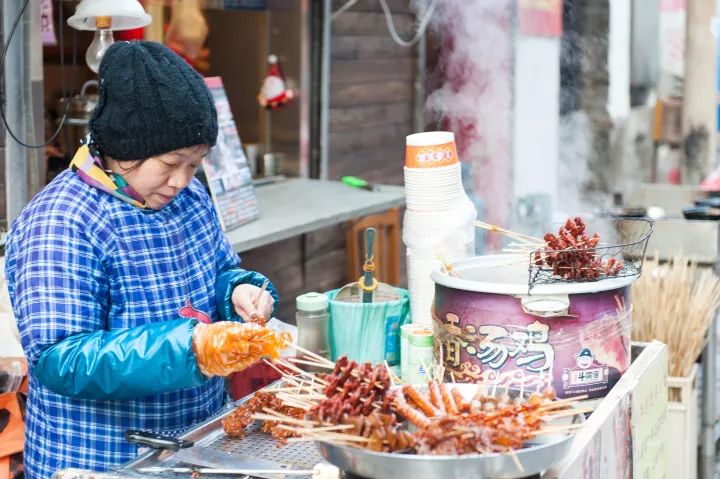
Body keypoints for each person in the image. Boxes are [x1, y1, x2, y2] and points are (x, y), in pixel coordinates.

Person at [5, 41, 280, 478]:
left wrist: (241, 291)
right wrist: (190, 348)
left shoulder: (189, 198)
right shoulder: (62, 220)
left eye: (195, 164)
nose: (181, 180)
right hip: (101, 457)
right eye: (171, 163)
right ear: (124, 147)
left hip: (196, 442)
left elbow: (221, 271)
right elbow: (61, 358)